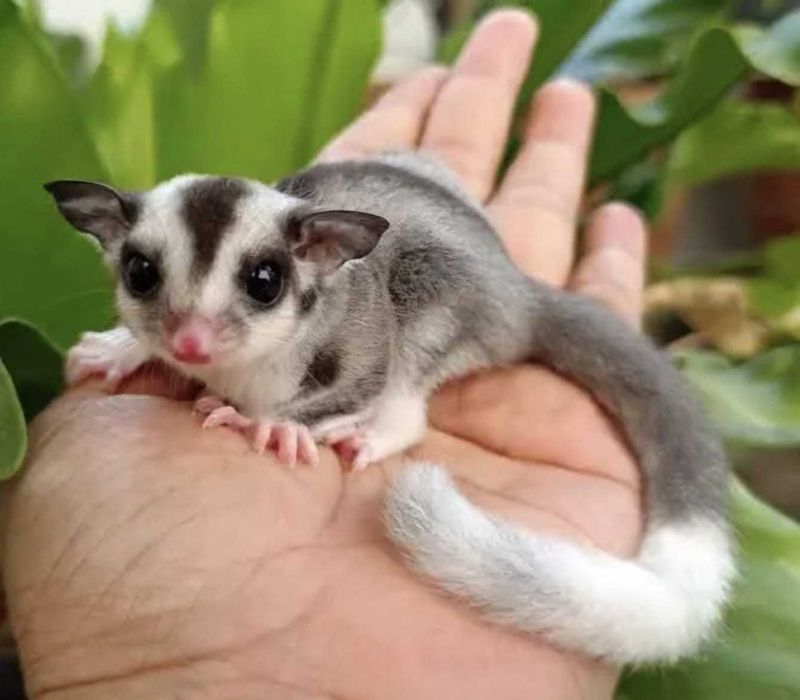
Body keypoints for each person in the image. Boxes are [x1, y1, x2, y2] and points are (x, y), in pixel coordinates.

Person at [2, 9, 649, 700]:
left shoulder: (331, 299)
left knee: (418, 303)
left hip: (470, 295)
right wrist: (137, 342)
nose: (187, 343)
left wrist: (297, 418)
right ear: (106, 234)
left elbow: (358, 366)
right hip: (404, 210)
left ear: (319, 254)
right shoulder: (222, 298)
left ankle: (403, 418)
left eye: (258, 285)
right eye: (144, 280)